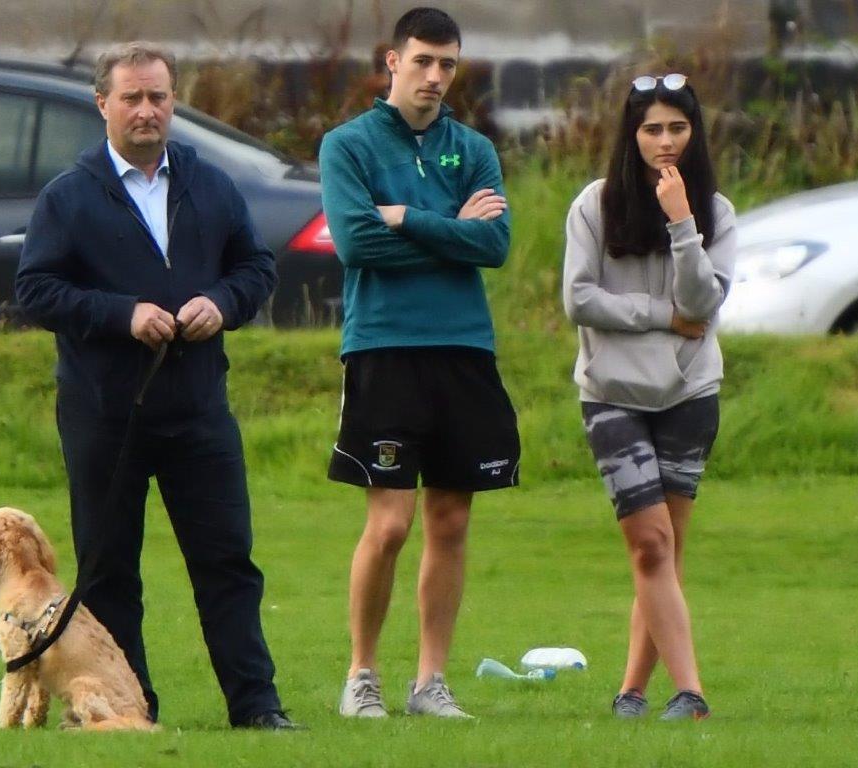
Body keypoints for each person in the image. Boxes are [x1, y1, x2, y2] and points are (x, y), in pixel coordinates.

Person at [15, 41, 299, 730]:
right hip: (104, 414)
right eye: (133, 98)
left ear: (173, 101)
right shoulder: (70, 196)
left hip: (198, 409)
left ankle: (256, 707)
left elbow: (255, 268)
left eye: (159, 97)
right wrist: (121, 314)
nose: (147, 111)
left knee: (227, 562)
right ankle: (126, 706)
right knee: (111, 573)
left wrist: (223, 303)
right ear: (102, 104)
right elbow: (35, 291)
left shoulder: (210, 183)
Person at [319, 7, 520, 719]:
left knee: (451, 521)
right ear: (392, 60)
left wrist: (406, 217)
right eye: (424, 61)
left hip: (462, 348)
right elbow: (356, 244)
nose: (436, 76)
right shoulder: (347, 146)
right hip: (383, 346)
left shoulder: (472, 149)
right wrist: (450, 229)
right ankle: (361, 675)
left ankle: (430, 682)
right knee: (390, 524)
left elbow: (494, 246)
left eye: (448, 64)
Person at [562, 73, 736, 720]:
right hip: (611, 393)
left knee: (664, 549)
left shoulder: (715, 214)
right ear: (630, 136)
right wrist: (660, 316)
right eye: (651, 129)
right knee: (649, 543)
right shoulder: (592, 204)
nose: (664, 141)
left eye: (676, 128)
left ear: (694, 134)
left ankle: (632, 692)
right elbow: (577, 298)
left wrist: (682, 222)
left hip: (689, 393)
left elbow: (703, 304)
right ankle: (690, 694)